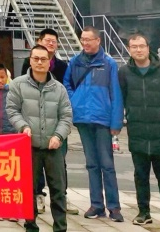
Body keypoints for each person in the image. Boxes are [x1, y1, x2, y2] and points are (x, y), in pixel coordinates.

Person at [119, 34, 160, 229]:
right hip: (137, 131)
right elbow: (121, 96)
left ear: (148, 48)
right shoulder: (124, 72)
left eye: (141, 46)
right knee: (140, 175)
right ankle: (143, 212)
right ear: (129, 49)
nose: (138, 50)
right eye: (134, 47)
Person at [6, 45, 72, 232]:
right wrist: (23, 126)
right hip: (29, 147)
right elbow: (12, 110)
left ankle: (60, 227)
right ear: (30, 60)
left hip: (53, 148)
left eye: (44, 59)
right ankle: (30, 225)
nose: (39, 62)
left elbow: (66, 116)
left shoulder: (59, 88)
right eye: (36, 58)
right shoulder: (18, 84)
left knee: (58, 190)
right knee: (29, 190)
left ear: (50, 62)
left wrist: (58, 136)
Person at [64, 26, 124, 222]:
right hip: (83, 118)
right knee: (91, 164)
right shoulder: (75, 62)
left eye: (89, 39)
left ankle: (114, 207)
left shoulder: (108, 63)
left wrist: (116, 122)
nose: (85, 43)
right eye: (83, 39)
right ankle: (96, 205)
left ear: (98, 40)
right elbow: (66, 85)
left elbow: (115, 93)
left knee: (107, 164)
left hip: (103, 119)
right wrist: (75, 101)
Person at [27, 29, 75, 216]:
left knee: (59, 163)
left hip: (56, 123)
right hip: (34, 123)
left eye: (54, 41)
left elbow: (67, 92)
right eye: (47, 40)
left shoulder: (62, 66)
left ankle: (61, 196)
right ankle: (37, 195)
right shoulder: (29, 64)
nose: (50, 44)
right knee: (35, 166)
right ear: (39, 41)